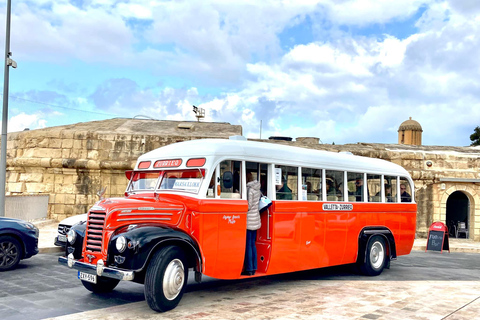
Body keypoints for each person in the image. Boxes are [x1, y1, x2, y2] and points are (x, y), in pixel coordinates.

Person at [243, 173, 261, 276]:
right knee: (253, 244)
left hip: (249, 219)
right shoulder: (257, 188)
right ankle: (254, 267)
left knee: (248, 245)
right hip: (256, 218)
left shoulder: (249, 189)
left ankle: (249, 268)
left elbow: (248, 206)